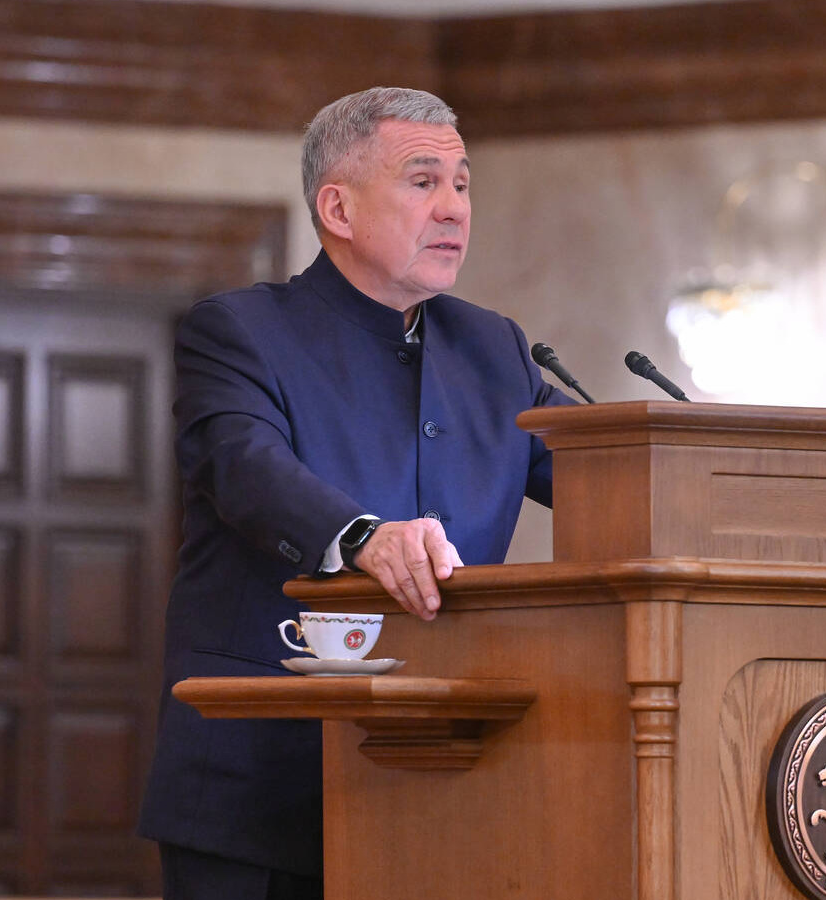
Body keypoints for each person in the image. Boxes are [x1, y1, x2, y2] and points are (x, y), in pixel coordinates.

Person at [137, 86, 573, 900]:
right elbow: (246, 468)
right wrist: (365, 537)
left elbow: (603, 466)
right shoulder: (238, 331)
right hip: (258, 792)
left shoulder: (494, 349)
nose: (454, 208)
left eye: (462, 184)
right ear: (337, 208)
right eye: (423, 182)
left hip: (446, 783)